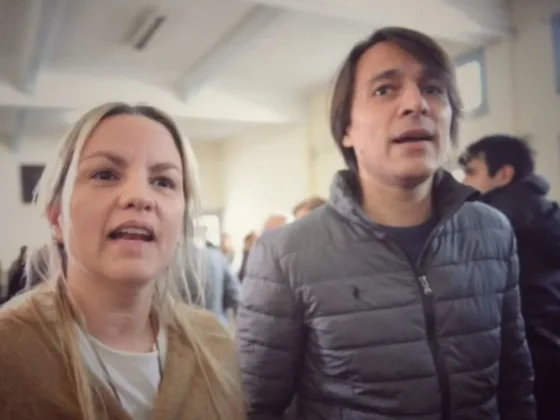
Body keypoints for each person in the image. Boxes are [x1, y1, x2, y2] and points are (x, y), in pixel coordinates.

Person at [236, 27, 535, 419]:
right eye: (384, 90)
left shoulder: (493, 232)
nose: (416, 103)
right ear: (347, 129)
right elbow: (258, 407)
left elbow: (515, 383)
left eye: (433, 89)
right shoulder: (285, 256)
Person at [0, 103, 245, 420]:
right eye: (105, 174)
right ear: (56, 216)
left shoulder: (214, 345)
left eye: (163, 181)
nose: (140, 197)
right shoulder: (9, 351)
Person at [460, 134, 560, 420]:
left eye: (472, 172)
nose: (464, 181)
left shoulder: (493, 223)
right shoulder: (548, 213)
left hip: (521, 357)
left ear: (503, 174)